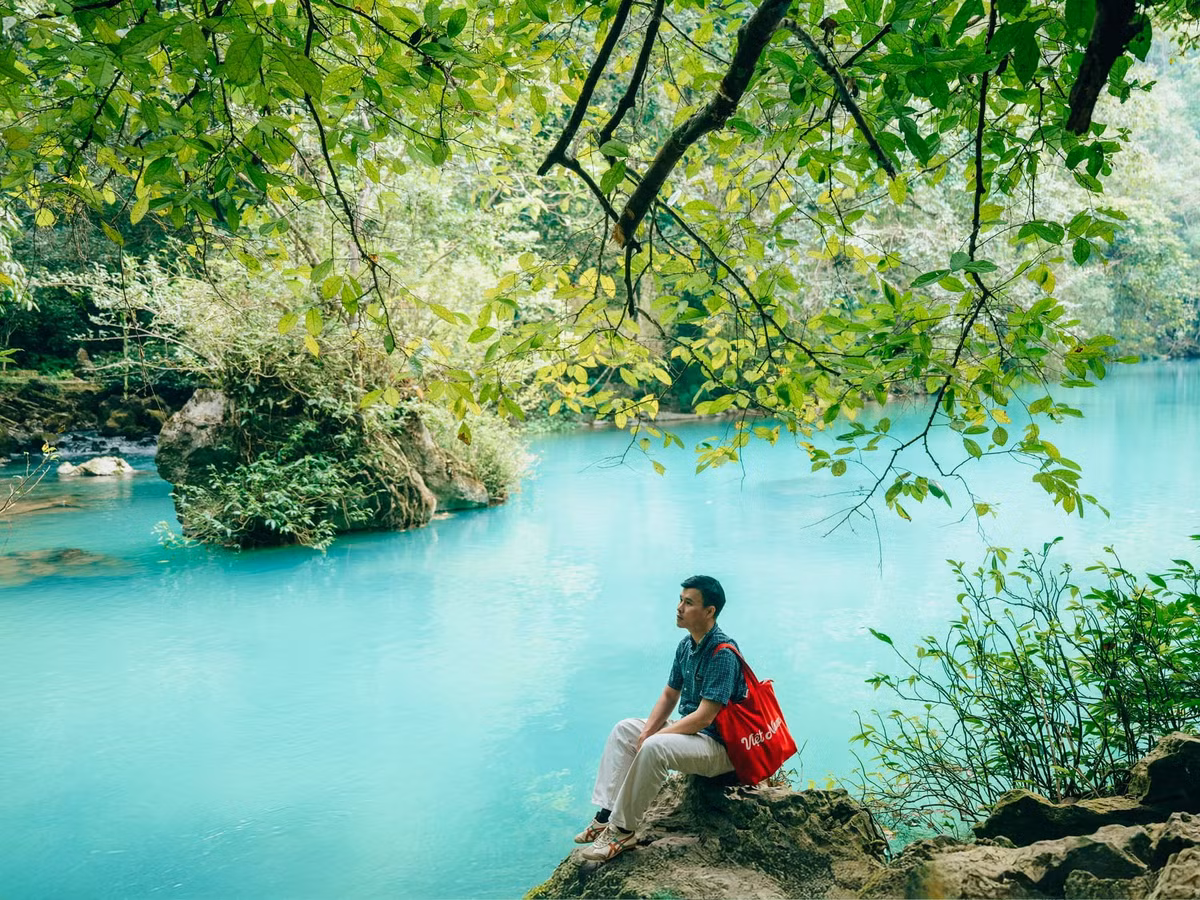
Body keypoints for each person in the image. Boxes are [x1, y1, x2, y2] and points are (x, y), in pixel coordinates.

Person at [575, 574, 746, 862]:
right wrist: (647, 731)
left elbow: (705, 717)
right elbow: (669, 696)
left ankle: (623, 832)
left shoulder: (723, 653)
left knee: (655, 747)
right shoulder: (686, 645)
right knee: (625, 729)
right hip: (693, 738)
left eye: (688, 602)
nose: (679, 607)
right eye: (680, 600)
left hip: (720, 748)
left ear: (709, 611)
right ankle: (605, 814)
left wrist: (656, 737)